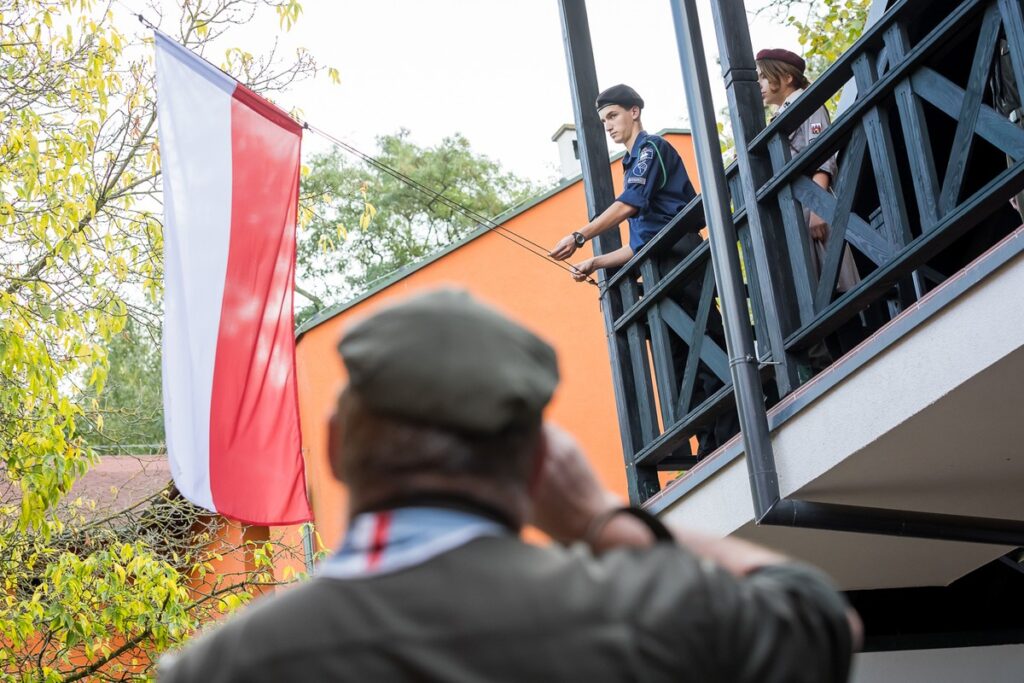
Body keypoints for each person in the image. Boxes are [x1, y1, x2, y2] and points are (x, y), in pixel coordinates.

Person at [158, 288, 860, 683]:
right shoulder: (649, 612)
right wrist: (603, 520)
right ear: (537, 463)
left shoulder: (219, 668)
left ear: (337, 448)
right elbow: (820, 617)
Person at [550, 84, 735, 456]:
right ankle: (710, 441)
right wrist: (595, 262)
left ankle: (730, 431)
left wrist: (580, 235)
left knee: (707, 342)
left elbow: (631, 205)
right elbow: (639, 243)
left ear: (634, 111)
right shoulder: (629, 163)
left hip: (681, 256)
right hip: (657, 263)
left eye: (613, 116)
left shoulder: (651, 149)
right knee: (683, 356)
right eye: (604, 122)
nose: (610, 126)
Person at [756, 48, 860, 296]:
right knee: (810, 290)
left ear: (787, 77)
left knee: (836, 283)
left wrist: (818, 208)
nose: (758, 83)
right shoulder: (778, 118)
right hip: (794, 213)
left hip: (812, 204)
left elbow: (823, 156)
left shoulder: (808, 103)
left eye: (762, 76)